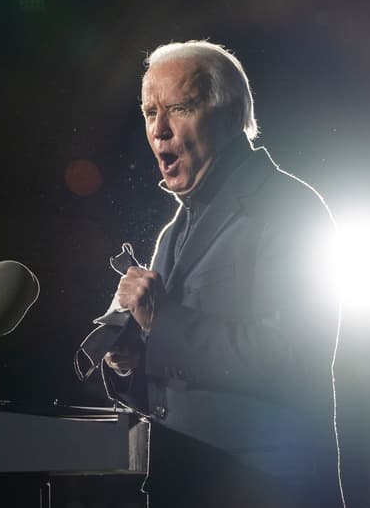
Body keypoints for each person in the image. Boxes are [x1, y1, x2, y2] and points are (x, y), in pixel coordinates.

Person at [102, 40, 343, 507]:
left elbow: (290, 355)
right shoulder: (174, 231)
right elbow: (179, 382)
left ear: (231, 116)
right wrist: (132, 359)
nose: (160, 130)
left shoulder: (289, 208)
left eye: (178, 108)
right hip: (189, 486)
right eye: (150, 112)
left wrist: (161, 324)